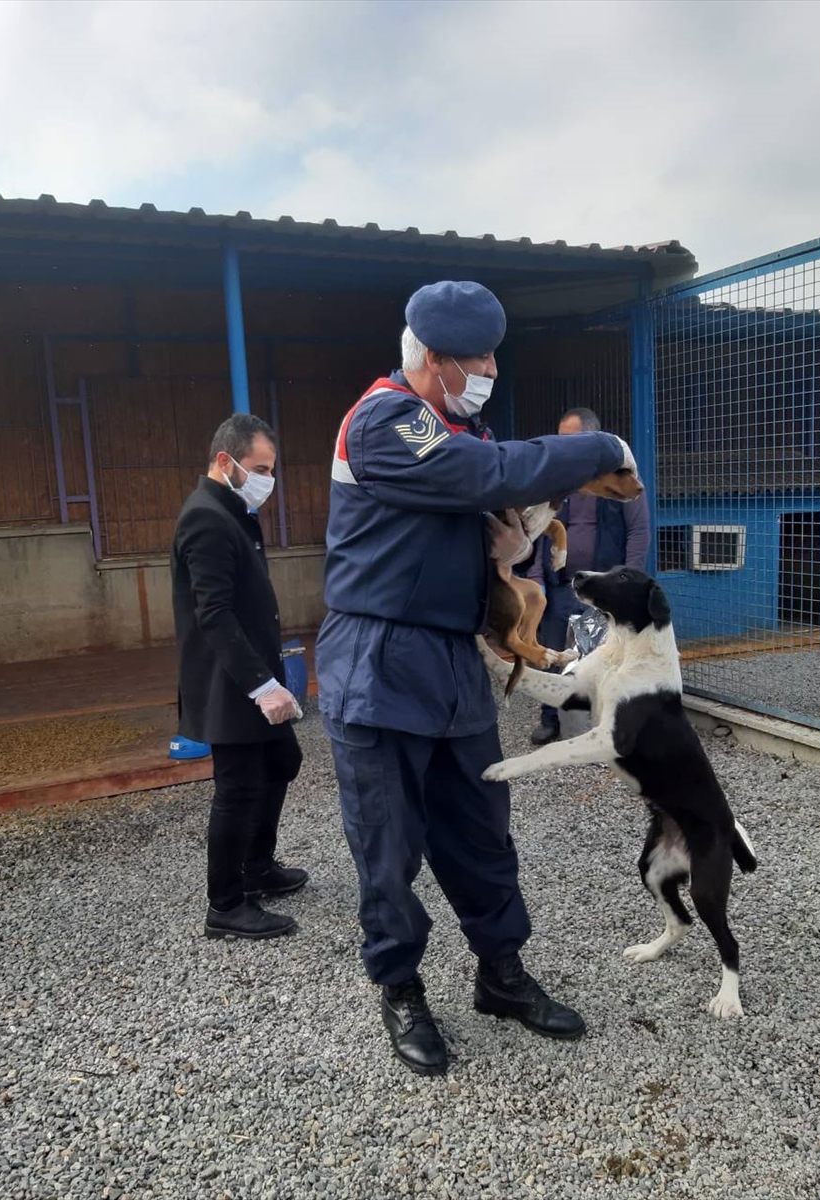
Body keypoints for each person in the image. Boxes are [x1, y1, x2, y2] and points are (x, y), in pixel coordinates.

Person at [316, 281, 641, 1076]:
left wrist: (508, 554)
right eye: (479, 357)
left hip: (452, 662)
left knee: (481, 833)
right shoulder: (384, 419)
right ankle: (400, 990)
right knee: (388, 846)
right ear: (434, 359)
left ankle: (501, 975)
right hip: (380, 662)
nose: (491, 369)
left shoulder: (452, 422)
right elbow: (482, 474)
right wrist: (599, 452)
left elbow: (484, 500)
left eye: (495, 355)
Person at [171, 413, 308, 940]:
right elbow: (215, 614)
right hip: (229, 683)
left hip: (250, 674)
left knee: (283, 760)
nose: (267, 480)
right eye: (260, 467)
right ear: (225, 462)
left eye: (271, 468)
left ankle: (257, 866)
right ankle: (226, 904)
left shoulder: (232, 511)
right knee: (237, 788)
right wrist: (262, 685)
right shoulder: (206, 517)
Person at [526, 406, 652, 747]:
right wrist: (537, 580)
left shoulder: (620, 478)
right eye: (560, 439)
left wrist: (627, 583)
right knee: (552, 653)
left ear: (592, 441)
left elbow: (639, 531)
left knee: (607, 657)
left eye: (571, 440)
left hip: (604, 588)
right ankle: (550, 720)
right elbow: (538, 531)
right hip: (560, 586)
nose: (562, 447)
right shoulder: (556, 480)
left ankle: (608, 725)